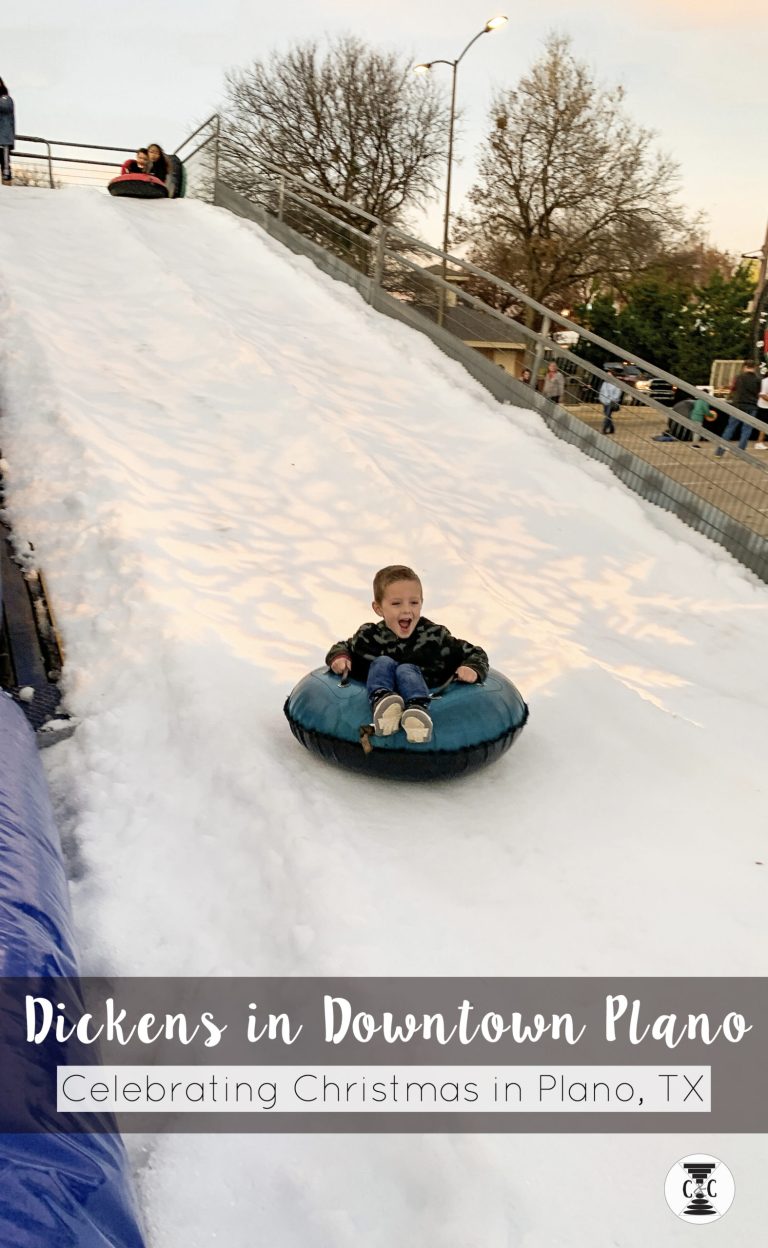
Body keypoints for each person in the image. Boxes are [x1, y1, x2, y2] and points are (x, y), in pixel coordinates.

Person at [325, 564, 489, 745]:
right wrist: (340, 657)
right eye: (396, 603)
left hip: (426, 691)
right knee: (383, 662)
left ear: (422, 602)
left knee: (406, 669)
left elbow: (474, 652)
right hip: (379, 689)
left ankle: (417, 712)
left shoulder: (435, 637)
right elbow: (343, 647)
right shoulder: (368, 637)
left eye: (414, 602)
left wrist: (471, 667)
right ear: (378, 608)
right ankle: (384, 703)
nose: (406, 610)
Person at [714, 361, 760, 457]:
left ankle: (719, 452)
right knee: (746, 430)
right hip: (751, 406)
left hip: (738, 406)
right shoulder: (757, 379)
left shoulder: (738, 377)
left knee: (730, 428)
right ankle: (740, 453)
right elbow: (758, 393)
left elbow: (732, 388)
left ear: (745, 367)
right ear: (754, 368)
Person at [0, 78, 15, 186]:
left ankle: (7, 184)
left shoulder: (6, 99)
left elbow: (5, 108)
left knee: (5, 165)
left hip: (3, 138)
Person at [598, 371, 622, 435]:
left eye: (609, 375)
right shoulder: (604, 383)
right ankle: (612, 428)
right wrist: (601, 399)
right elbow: (601, 391)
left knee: (607, 416)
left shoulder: (616, 384)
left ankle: (604, 429)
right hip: (604, 401)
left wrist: (613, 399)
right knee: (607, 415)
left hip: (611, 402)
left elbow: (617, 393)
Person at [754, 372, 768, 449]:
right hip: (764, 406)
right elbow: (762, 395)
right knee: (764, 425)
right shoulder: (765, 381)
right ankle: (759, 442)